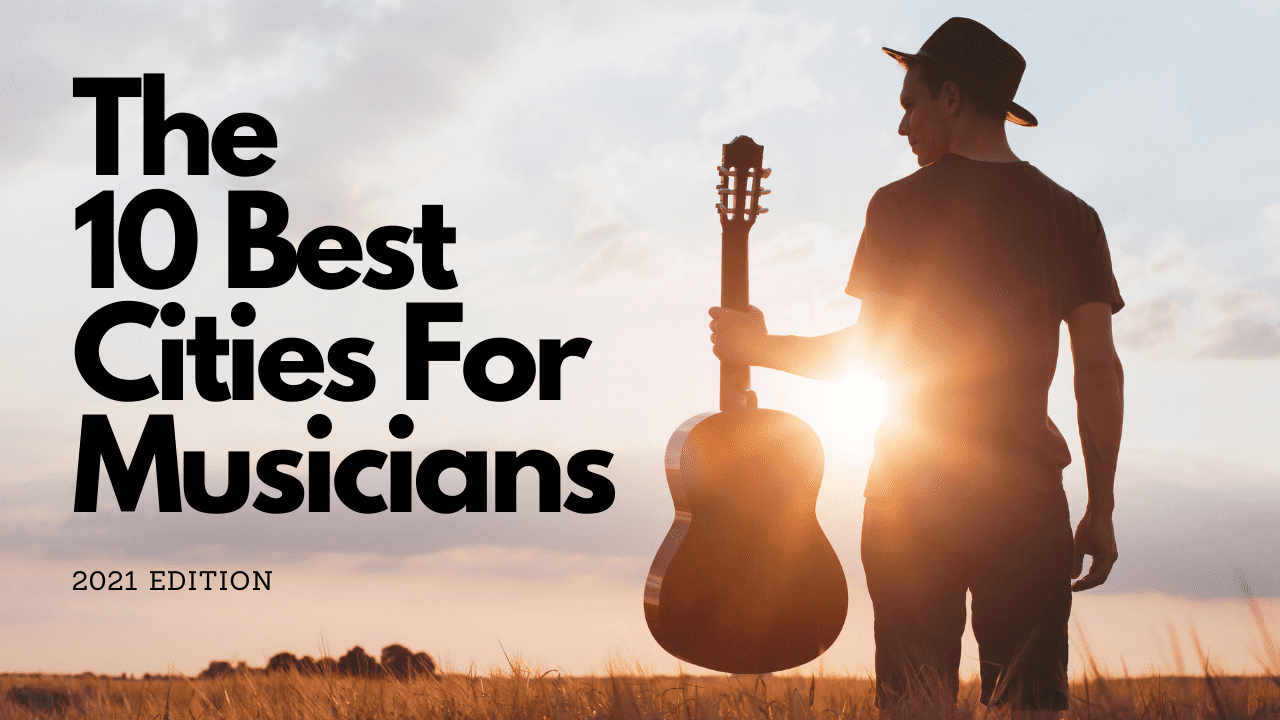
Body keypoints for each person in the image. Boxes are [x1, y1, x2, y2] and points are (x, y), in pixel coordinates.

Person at [709, 17, 1124, 713]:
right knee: (1028, 704)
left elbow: (875, 354)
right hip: (1028, 504)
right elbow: (1098, 372)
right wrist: (1102, 506)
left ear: (952, 98)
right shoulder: (1073, 217)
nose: (903, 127)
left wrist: (760, 349)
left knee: (914, 704)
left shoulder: (900, 206)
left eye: (910, 103)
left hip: (913, 499)